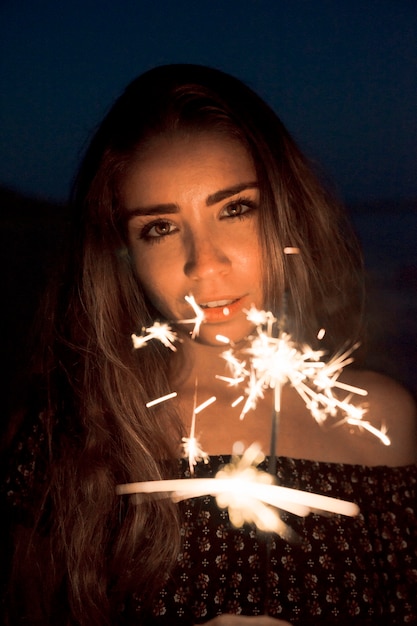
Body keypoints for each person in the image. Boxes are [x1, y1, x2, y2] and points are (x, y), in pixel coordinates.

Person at [2, 63, 416, 626]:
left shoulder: (381, 420)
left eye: (236, 209)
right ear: (122, 256)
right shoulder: (68, 433)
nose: (206, 263)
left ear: (287, 217)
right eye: (160, 228)